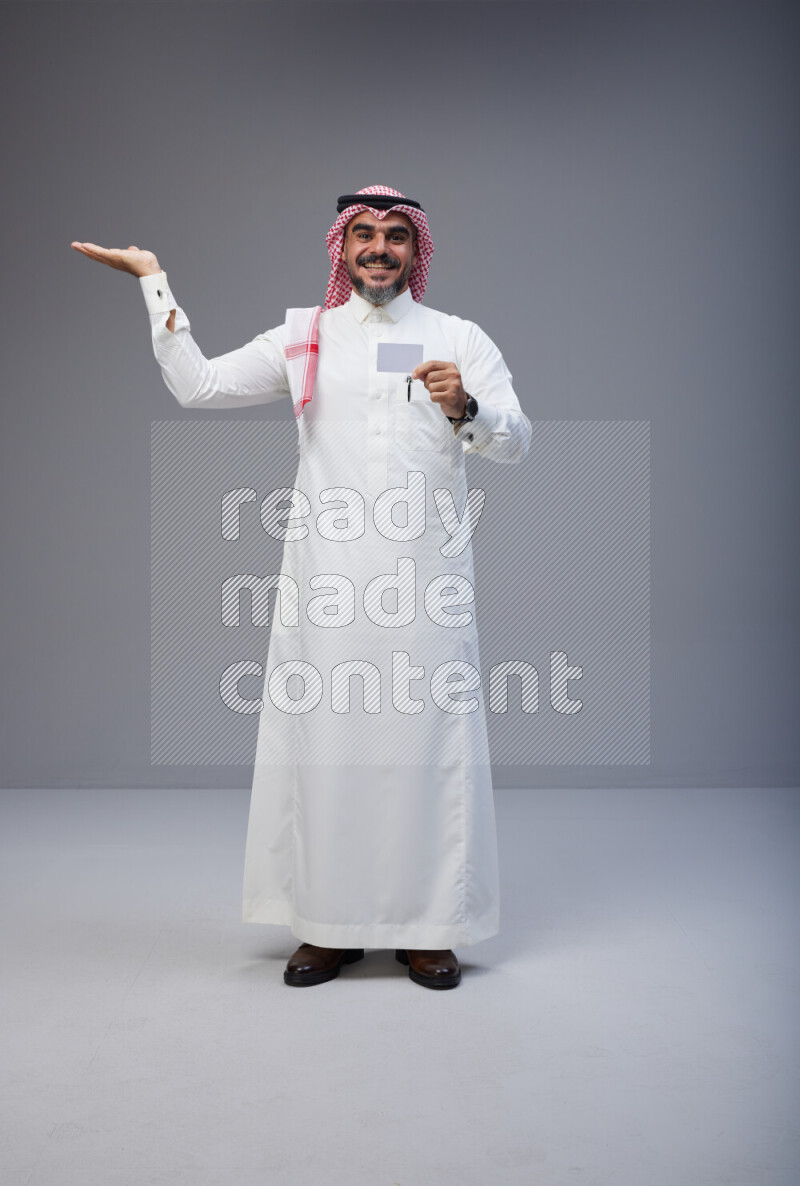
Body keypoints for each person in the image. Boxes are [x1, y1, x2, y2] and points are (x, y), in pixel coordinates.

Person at [71, 184, 532, 991]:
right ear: (340, 249)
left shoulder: (459, 338)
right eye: (364, 235)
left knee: (428, 749)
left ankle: (430, 930)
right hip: (328, 582)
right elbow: (200, 386)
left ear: (416, 251)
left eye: (396, 236)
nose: (380, 248)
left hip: (426, 585)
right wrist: (153, 281)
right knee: (329, 749)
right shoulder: (305, 336)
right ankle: (327, 926)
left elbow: (516, 443)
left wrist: (469, 405)